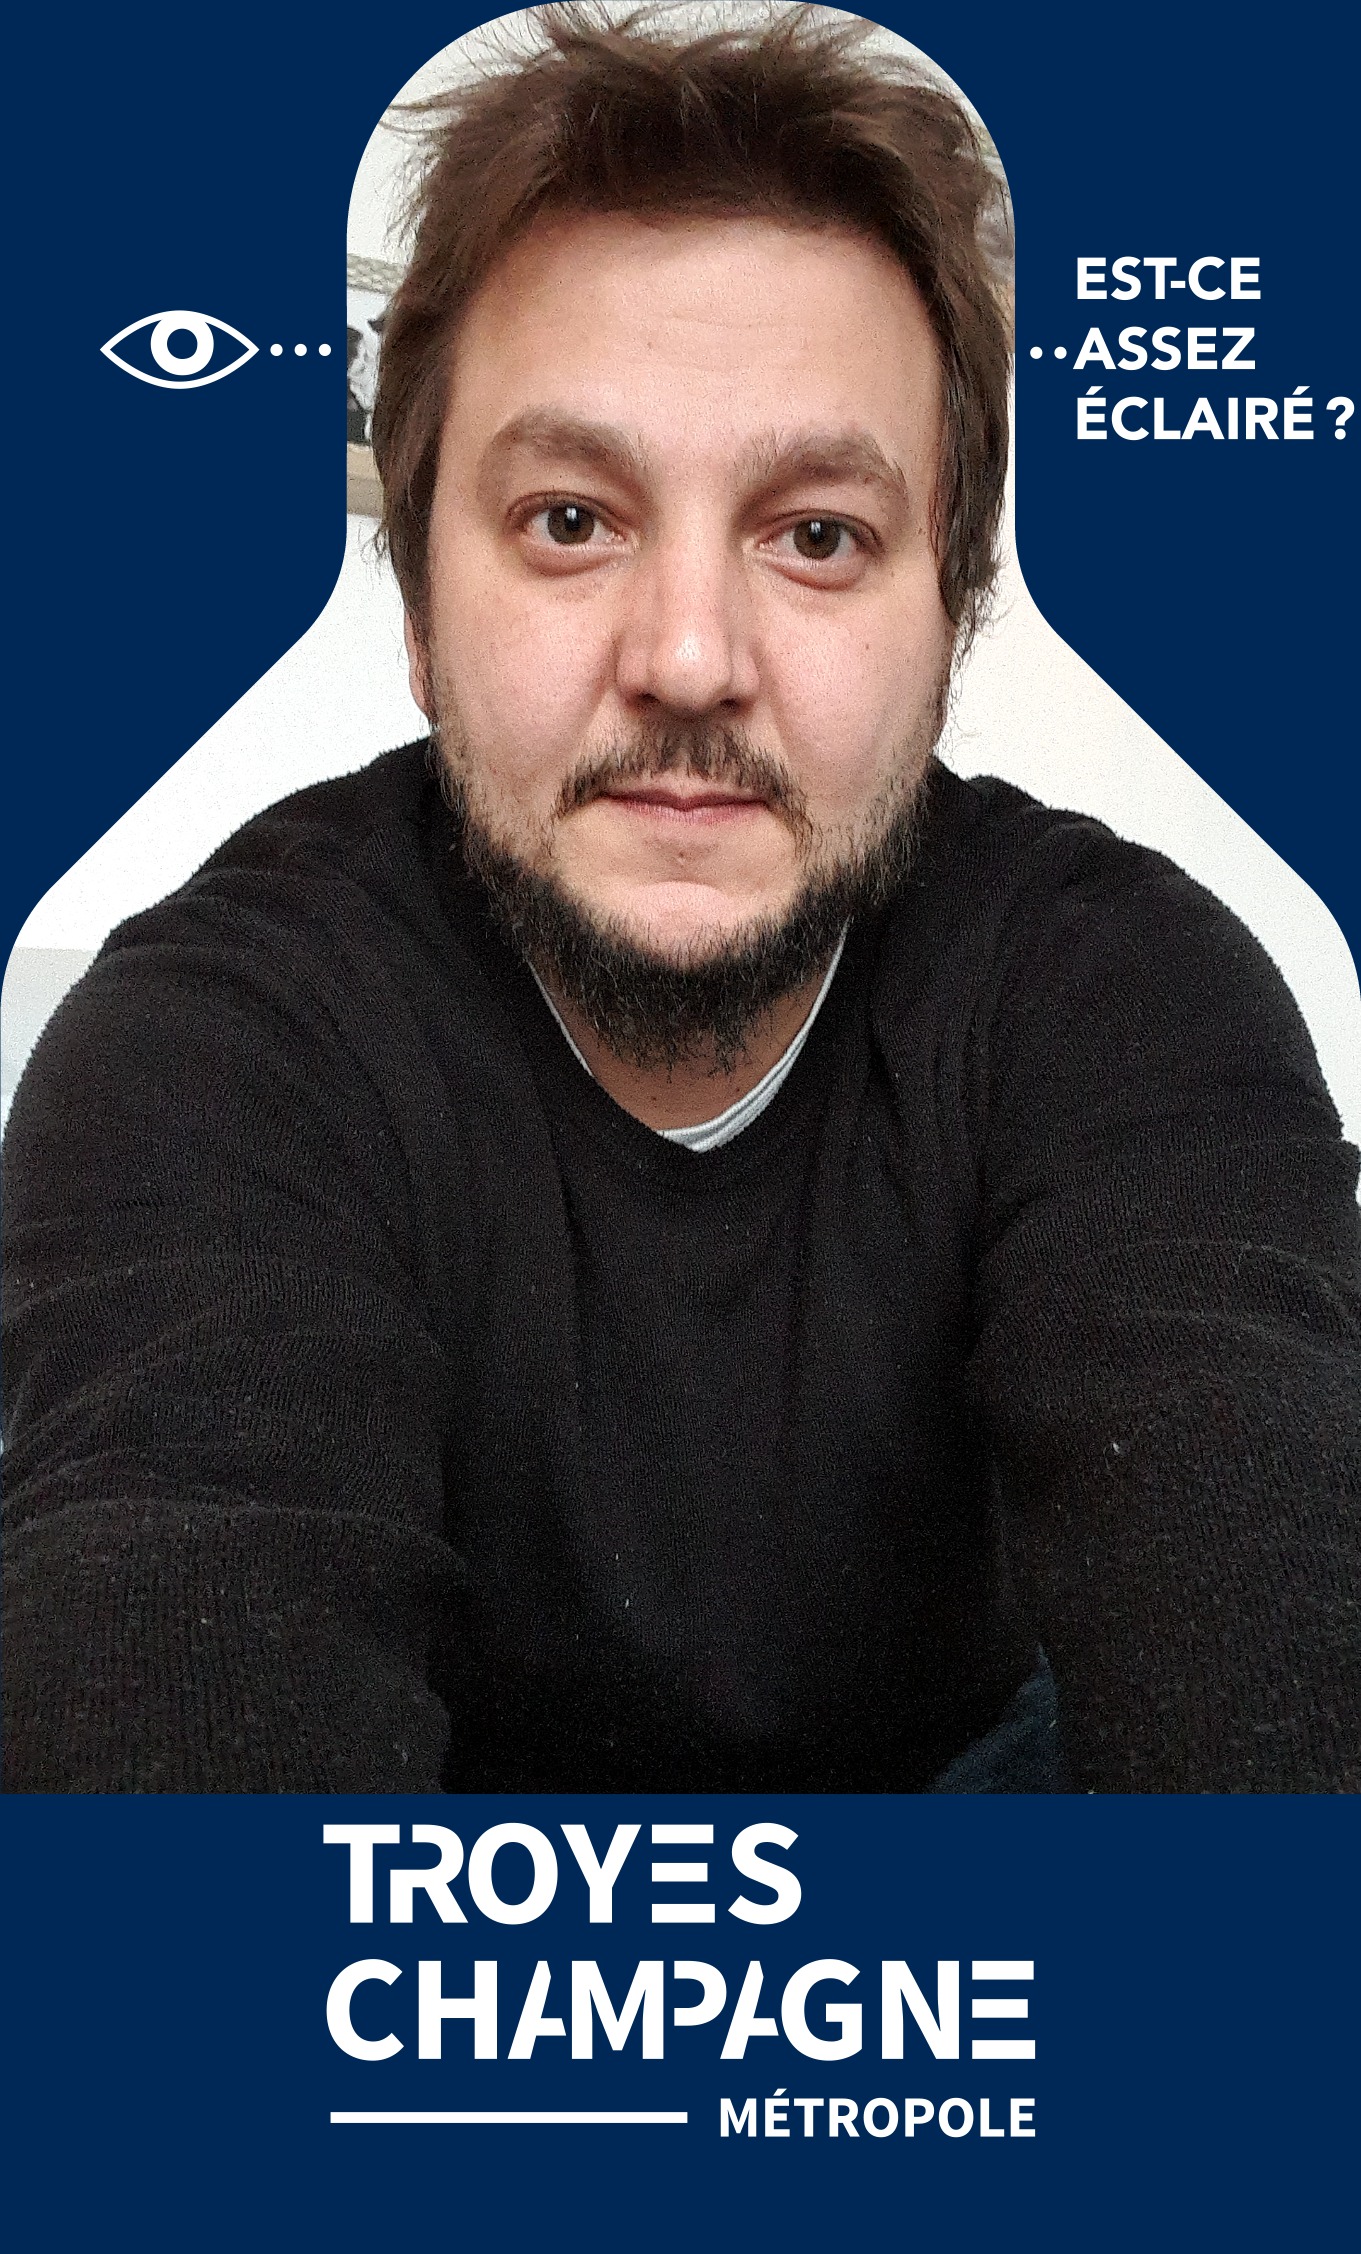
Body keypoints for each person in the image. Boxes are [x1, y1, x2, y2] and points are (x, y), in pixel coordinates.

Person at [4, 8, 1358, 1795]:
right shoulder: (209, 1042)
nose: (691, 657)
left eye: (817, 534)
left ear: (945, 627)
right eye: (570, 520)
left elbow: (1260, 1581)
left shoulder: (1128, 990)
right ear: (418, 616)